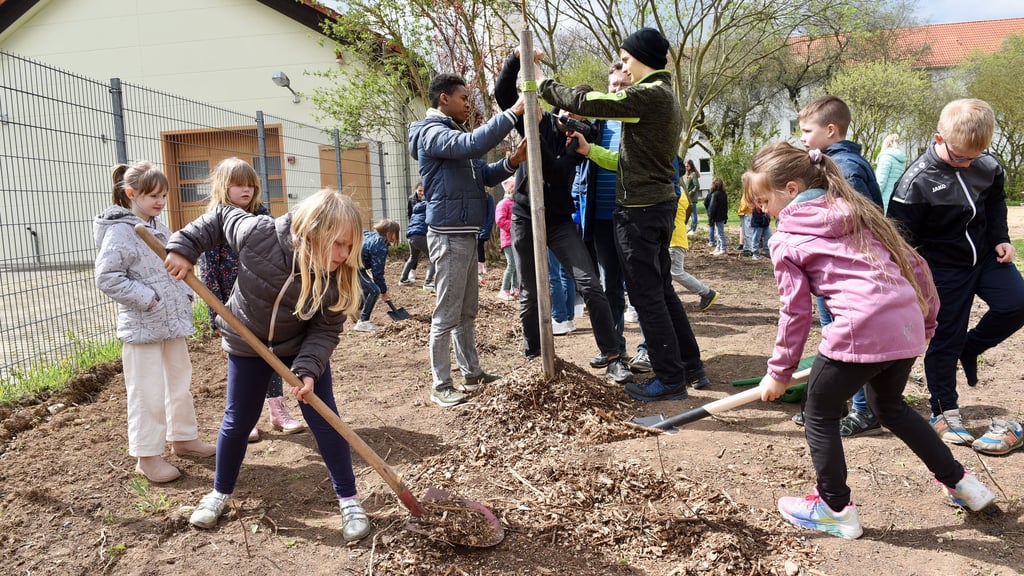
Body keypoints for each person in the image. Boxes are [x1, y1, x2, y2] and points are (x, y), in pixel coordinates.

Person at [749, 143, 996, 540]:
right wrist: (926, 324)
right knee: (889, 406)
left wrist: (778, 373)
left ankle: (833, 508)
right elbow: (917, 266)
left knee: (819, 413)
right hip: (905, 325)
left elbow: (795, 314)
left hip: (859, 328)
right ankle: (963, 483)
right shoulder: (861, 214)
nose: (762, 209)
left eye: (764, 199)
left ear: (791, 189)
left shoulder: (787, 237)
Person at [164, 188, 372, 541]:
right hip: (248, 344)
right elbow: (218, 216)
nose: (343, 255)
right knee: (239, 419)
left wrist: (308, 369)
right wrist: (185, 248)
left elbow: (324, 330)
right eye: (337, 244)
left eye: (350, 247)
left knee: (325, 418)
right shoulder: (259, 234)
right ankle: (220, 492)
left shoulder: (337, 277)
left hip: (298, 346)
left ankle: (349, 499)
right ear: (312, 230)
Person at [540, 27, 710, 400]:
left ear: (643, 58)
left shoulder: (648, 95)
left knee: (647, 297)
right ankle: (691, 366)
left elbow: (593, 102)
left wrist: (542, 83)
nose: (625, 67)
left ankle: (669, 379)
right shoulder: (664, 96)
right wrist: (590, 152)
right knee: (662, 292)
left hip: (640, 213)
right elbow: (627, 161)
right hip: (656, 207)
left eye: (627, 59)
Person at [888, 98, 1024, 455]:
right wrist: (915, 284)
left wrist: (1001, 239)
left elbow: (995, 203)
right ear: (938, 139)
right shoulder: (914, 183)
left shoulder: (987, 164)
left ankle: (971, 347)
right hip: (944, 270)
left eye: (974, 157)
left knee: (1017, 303)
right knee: (945, 339)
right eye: (960, 156)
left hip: (986, 258)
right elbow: (900, 241)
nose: (968, 163)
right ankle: (943, 411)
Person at [495, 49, 633, 384]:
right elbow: (502, 95)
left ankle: (614, 356)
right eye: (569, 109)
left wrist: (576, 142)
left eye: (580, 114)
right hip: (526, 215)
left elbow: (562, 169)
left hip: (558, 220)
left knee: (590, 283)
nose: (572, 116)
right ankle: (533, 358)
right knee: (529, 290)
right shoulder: (537, 120)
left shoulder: (584, 138)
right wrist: (518, 59)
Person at [93, 161, 216, 484]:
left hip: (172, 324)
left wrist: (181, 296)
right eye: (152, 196)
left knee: (179, 384)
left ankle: (183, 437)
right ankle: (147, 456)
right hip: (143, 328)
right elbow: (107, 277)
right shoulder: (121, 231)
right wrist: (148, 298)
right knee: (146, 392)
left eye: (163, 195)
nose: (160, 201)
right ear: (131, 193)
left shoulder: (159, 227)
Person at [408, 72, 525, 407]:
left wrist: (512, 162)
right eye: (463, 98)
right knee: (447, 313)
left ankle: (471, 372)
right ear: (443, 98)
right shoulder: (432, 133)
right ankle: (441, 384)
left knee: (467, 310)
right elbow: (473, 144)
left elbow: (483, 176)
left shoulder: (452, 134)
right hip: (447, 235)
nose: (467, 104)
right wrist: (511, 114)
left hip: (464, 233)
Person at [199, 158, 304, 442]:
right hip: (232, 309)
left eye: (250, 185)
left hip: (262, 303)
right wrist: (215, 314)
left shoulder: (264, 217)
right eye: (238, 185)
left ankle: (277, 410)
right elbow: (208, 275)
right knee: (242, 365)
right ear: (223, 187)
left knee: (271, 357)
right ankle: (248, 418)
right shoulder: (214, 223)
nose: (246, 190)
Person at [796, 95, 884, 435]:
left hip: (847, 272)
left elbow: (856, 221)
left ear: (830, 130)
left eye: (806, 130)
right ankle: (837, 402)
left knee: (848, 341)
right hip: (832, 269)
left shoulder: (845, 168)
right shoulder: (830, 162)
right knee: (836, 339)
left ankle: (864, 411)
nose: (802, 137)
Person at [572, 62, 632, 369]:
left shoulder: (641, 123)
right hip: (602, 219)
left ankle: (651, 346)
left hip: (633, 217)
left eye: (623, 86)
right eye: (613, 87)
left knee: (640, 285)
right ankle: (616, 348)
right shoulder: (597, 124)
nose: (618, 91)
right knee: (610, 286)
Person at [671, 189, 718, 311]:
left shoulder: (672, 193)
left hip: (674, 240)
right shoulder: (679, 191)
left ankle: (707, 293)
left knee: (675, 272)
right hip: (676, 238)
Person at [355, 219, 400, 333]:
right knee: (375, 290)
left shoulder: (372, 235)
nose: (396, 236)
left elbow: (362, 231)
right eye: (396, 233)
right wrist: (383, 292)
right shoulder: (380, 246)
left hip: (356, 264)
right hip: (353, 267)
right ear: (389, 233)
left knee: (368, 288)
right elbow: (378, 273)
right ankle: (363, 322)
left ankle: (357, 310)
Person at [399, 182, 434, 288]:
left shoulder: (417, 207)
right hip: (420, 235)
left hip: (410, 235)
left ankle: (403, 279)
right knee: (433, 258)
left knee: (413, 257)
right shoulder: (429, 207)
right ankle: (428, 283)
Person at [495, 178, 518, 301]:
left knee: (516, 265)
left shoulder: (514, 203)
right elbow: (500, 220)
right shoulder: (503, 203)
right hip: (508, 240)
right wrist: (514, 226)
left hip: (516, 239)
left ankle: (516, 288)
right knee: (511, 265)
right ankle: (504, 290)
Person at [547, 249, 577, 335]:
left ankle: (558, 319)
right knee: (567, 274)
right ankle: (568, 319)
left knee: (553, 275)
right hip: (571, 237)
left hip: (550, 238)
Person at [875, 133, 907, 212]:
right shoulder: (901, 160)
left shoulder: (885, 157)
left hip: (884, 200)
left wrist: (874, 198)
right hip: (895, 198)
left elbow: (880, 181)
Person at [706, 178, 729, 256]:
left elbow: (712, 207)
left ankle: (723, 248)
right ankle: (718, 247)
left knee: (720, 233)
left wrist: (710, 217)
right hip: (722, 216)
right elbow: (726, 207)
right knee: (718, 232)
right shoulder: (724, 194)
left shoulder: (715, 195)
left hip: (717, 217)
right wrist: (726, 217)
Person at [478, 192, 496, 285]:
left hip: (483, 227)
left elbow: (491, 214)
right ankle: (479, 266)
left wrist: (486, 229)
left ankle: (482, 265)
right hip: (474, 227)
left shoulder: (488, 197)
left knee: (479, 244)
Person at [684, 159, 701, 235]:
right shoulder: (689, 174)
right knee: (690, 214)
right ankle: (692, 228)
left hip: (692, 198)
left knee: (693, 214)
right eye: (685, 166)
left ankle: (694, 230)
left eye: (687, 166)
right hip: (688, 198)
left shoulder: (693, 174)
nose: (686, 167)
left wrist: (690, 193)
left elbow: (697, 186)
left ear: (691, 166)